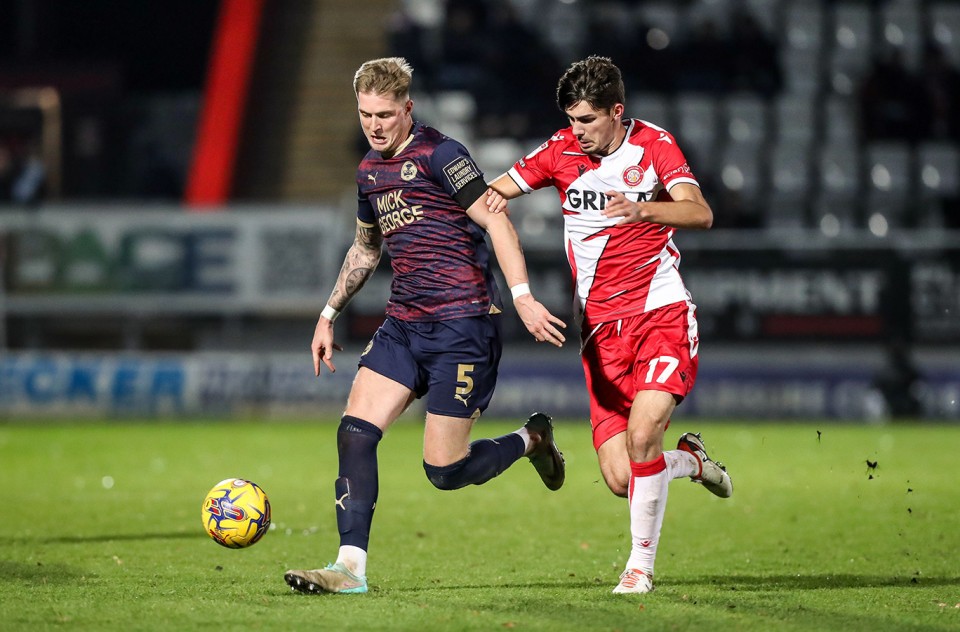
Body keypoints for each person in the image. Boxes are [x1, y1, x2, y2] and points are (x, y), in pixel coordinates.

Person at [284, 57, 568, 595]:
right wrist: (327, 314)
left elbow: (496, 218)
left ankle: (531, 440)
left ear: (407, 109)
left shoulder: (443, 154)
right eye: (366, 113)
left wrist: (524, 297)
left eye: (386, 114)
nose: (375, 125)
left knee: (444, 471)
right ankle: (350, 568)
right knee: (354, 433)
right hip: (405, 324)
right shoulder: (369, 170)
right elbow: (366, 249)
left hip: (463, 326)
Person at [486, 56, 733, 594]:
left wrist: (646, 210)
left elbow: (700, 212)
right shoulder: (560, 151)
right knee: (624, 478)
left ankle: (638, 568)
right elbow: (492, 194)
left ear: (617, 112)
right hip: (600, 335)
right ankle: (689, 460)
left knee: (644, 435)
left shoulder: (655, 146)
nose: (578, 132)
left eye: (588, 121)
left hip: (660, 312)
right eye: (572, 120)